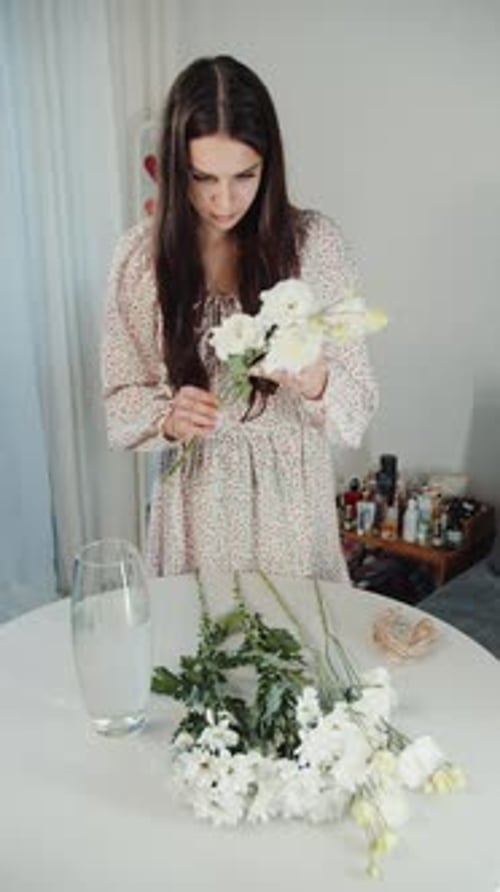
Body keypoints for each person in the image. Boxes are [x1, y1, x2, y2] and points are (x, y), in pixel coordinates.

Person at [102, 55, 378, 581]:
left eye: (243, 177)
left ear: (268, 166)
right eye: (202, 177)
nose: (223, 200)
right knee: (196, 650)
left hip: (290, 510)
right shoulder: (140, 260)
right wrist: (168, 417)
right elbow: (120, 402)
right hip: (194, 507)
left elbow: (358, 409)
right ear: (174, 166)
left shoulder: (314, 246)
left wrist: (316, 378)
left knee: (292, 652)